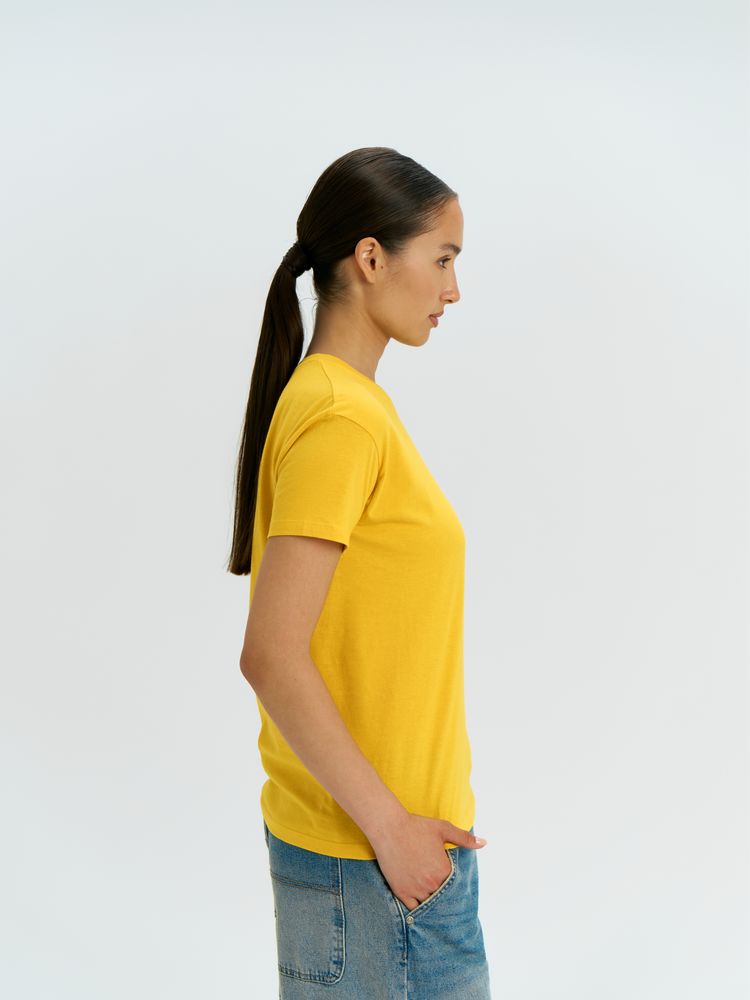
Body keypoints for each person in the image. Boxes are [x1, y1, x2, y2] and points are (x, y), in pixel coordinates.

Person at [228, 146, 492, 999]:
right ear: (371, 258)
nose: (453, 289)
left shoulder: (344, 404)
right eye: (443, 259)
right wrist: (393, 832)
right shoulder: (340, 414)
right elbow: (272, 654)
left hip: (380, 860)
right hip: (377, 866)